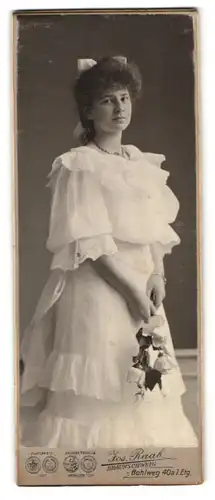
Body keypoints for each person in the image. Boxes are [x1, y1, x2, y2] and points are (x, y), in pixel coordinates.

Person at [20, 55, 198, 448]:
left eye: (124, 98)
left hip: (144, 282)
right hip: (99, 287)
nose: (119, 108)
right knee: (101, 383)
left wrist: (156, 274)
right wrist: (131, 291)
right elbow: (91, 244)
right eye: (107, 100)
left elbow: (153, 229)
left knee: (146, 378)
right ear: (88, 110)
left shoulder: (139, 161)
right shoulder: (79, 165)